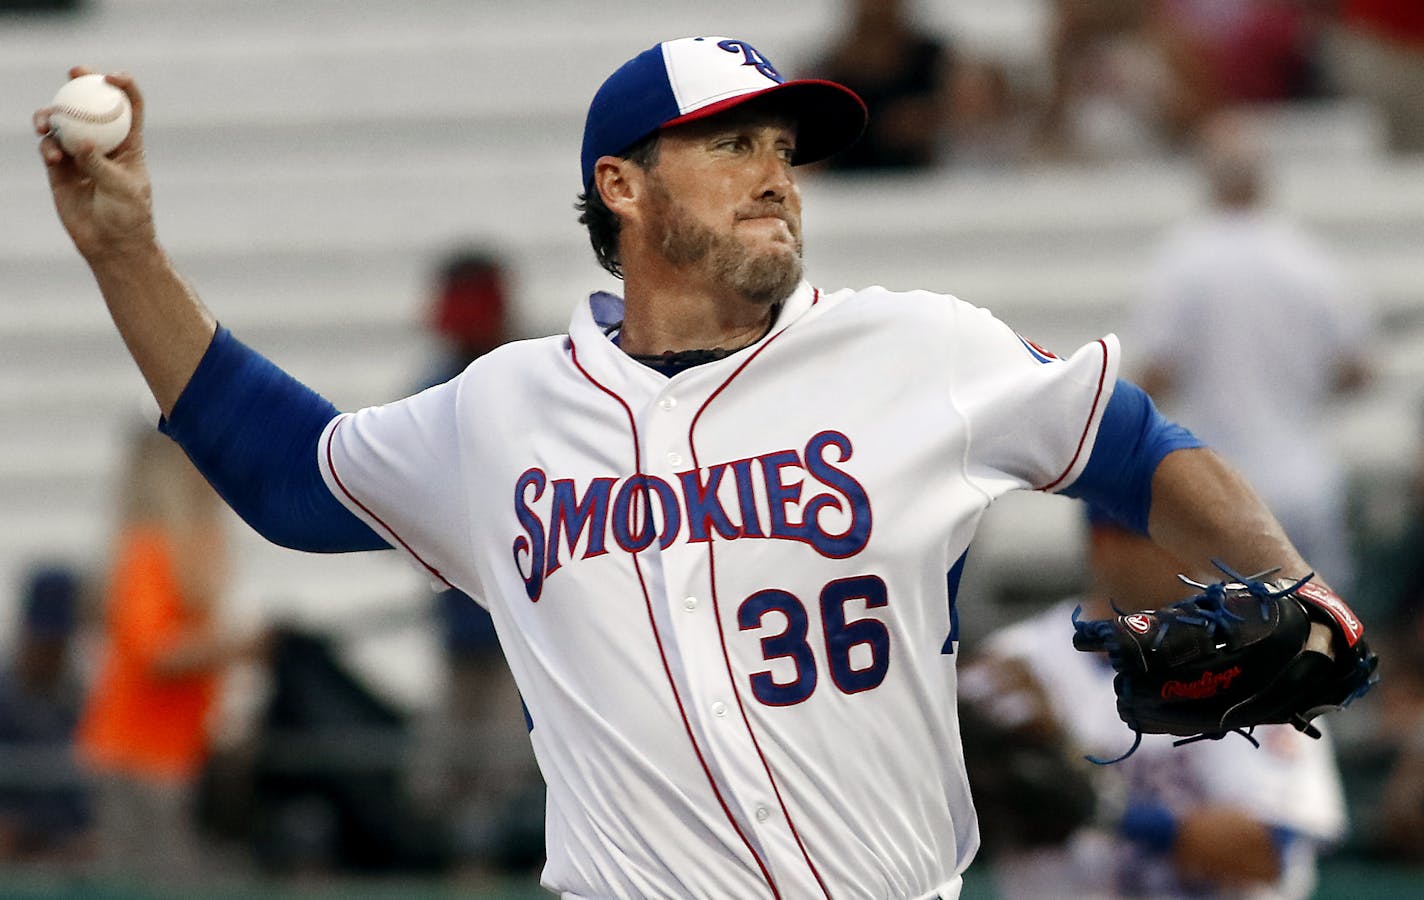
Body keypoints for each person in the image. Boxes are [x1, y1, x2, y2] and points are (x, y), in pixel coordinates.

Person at [34, 34, 1370, 898]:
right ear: (623, 186)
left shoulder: (916, 347)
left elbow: (1137, 446)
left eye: (784, 150)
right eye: (732, 144)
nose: (774, 175)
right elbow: (283, 476)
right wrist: (124, 255)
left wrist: (1294, 581)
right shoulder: (498, 414)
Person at [961, 504, 1348, 898]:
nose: (1192, 555)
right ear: (1103, 544)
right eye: (1168, 537)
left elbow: (1267, 851)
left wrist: (1103, 808)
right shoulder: (1011, 665)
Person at [1129, 110, 1375, 594]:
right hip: (1306, 478)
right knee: (1321, 632)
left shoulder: (1182, 262)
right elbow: (1357, 369)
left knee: (1229, 642)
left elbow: (1157, 371)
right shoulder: (1310, 260)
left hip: (1221, 485)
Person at [74, 427, 264, 885]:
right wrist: (238, 646)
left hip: (169, 753)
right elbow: (154, 653)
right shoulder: (149, 551)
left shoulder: (167, 554)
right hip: (139, 756)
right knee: (155, 880)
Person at [0, 565, 93, 864]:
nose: (51, 653)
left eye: (58, 644)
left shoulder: (78, 695)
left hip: (67, 853)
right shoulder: (7, 692)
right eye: (44, 642)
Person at [809, 0, 957, 172]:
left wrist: (935, 119)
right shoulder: (826, 70)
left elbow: (969, 128)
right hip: (845, 187)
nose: (876, 7)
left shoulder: (938, 64)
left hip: (923, 185)